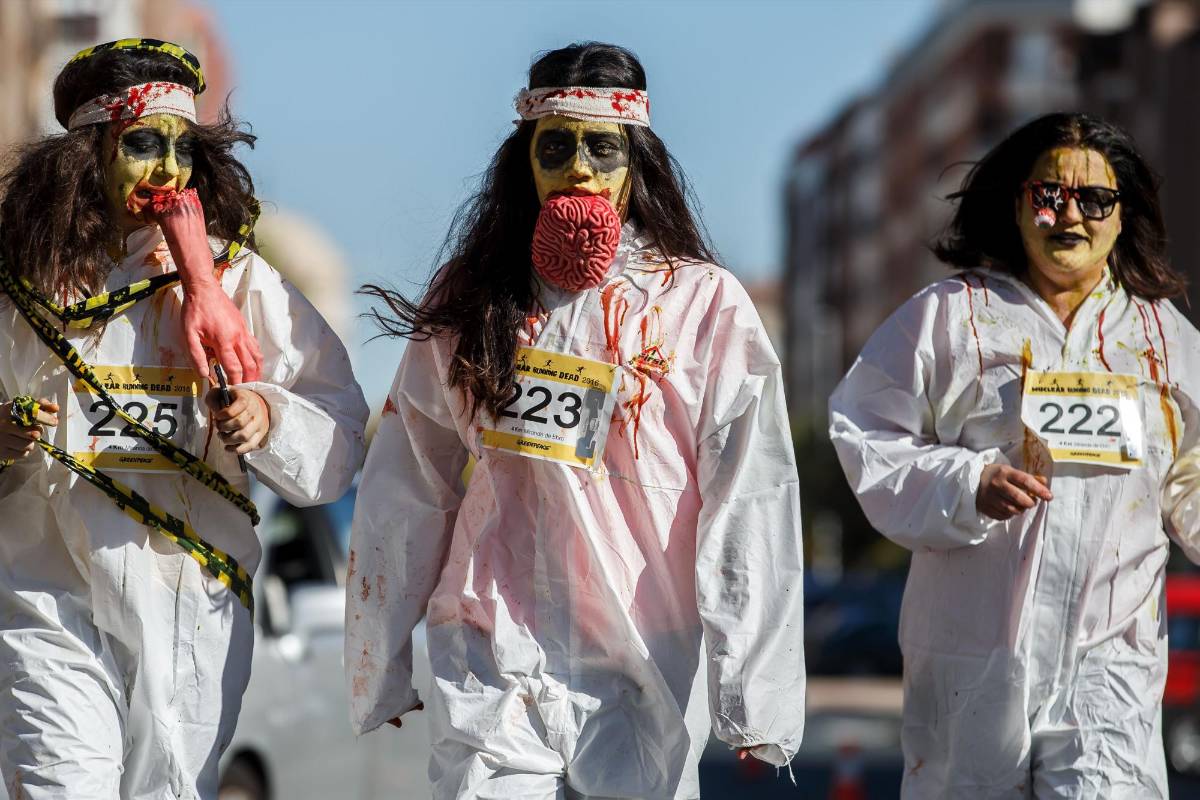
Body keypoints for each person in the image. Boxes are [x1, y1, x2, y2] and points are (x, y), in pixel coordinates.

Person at [346, 42, 805, 800]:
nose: (580, 169)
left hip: (642, 654)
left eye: (603, 147)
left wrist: (753, 688)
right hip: (490, 645)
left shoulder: (702, 305)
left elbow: (750, 497)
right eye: (556, 146)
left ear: (638, 163)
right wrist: (381, 658)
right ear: (524, 159)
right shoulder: (470, 297)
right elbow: (410, 475)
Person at [0, 39, 368, 799]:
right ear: (83, 155)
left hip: (190, 596)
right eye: (142, 144)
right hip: (47, 591)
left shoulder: (243, 281)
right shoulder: (20, 280)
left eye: (181, 148)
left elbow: (338, 423)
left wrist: (268, 419)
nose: (167, 171)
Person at [830, 112, 1200, 798]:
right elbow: (866, 432)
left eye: (1095, 200)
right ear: (1015, 201)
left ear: (1123, 216)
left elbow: (1193, 476)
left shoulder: (1163, 340)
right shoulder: (948, 317)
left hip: (1108, 663)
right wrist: (966, 483)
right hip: (970, 661)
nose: (1071, 216)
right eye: (1048, 194)